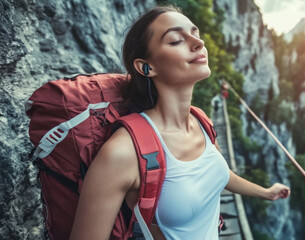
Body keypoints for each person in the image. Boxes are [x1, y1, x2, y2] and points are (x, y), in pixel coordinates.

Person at [70, 6, 290, 240]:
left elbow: (219, 173)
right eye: (176, 40)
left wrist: (266, 193)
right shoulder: (123, 153)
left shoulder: (201, 121)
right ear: (147, 67)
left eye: (195, 33)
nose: (198, 43)